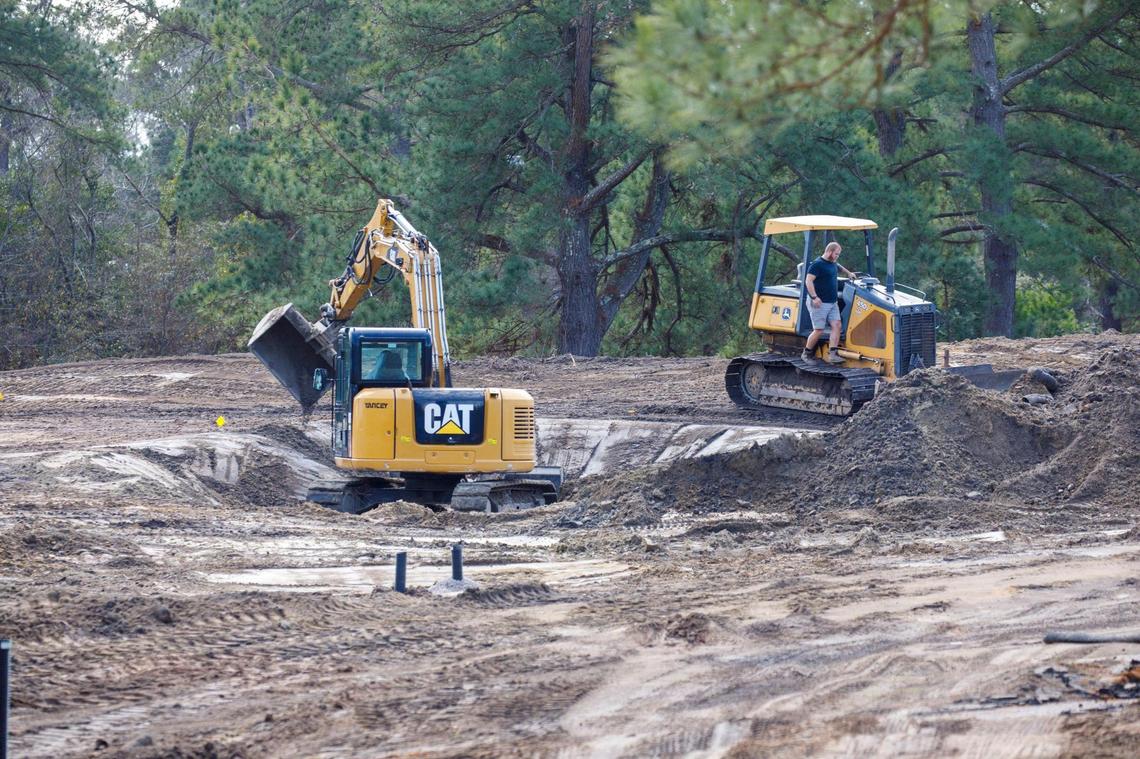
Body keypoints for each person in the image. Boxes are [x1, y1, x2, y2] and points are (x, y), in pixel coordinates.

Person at [802, 241, 854, 364]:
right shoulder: (817, 265)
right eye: (836, 254)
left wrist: (849, 273)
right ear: (830, 252)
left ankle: (833, 355)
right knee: (819, 330)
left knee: (837, 325)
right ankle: (806, 354)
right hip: (820, 302)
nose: (837, 256)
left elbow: (839, 266)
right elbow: (808, 281)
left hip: (832, 302)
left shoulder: (832, 262)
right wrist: (814, 297)